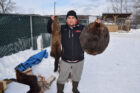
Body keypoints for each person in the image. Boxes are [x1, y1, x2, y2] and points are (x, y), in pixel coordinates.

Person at [47, 10, 99, 93]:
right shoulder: (62, 28)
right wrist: (51, 21)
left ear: (76, 19)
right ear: (66, 19)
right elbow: (50, 30)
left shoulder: (82, 28)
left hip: (79, 59)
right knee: (61, 78)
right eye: (69, 18)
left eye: (73, 18)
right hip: (65, 59)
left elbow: (92, 33)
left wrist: (96, 25)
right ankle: (60, 91)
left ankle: (75, 89)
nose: (71, 20)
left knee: (77, 77)